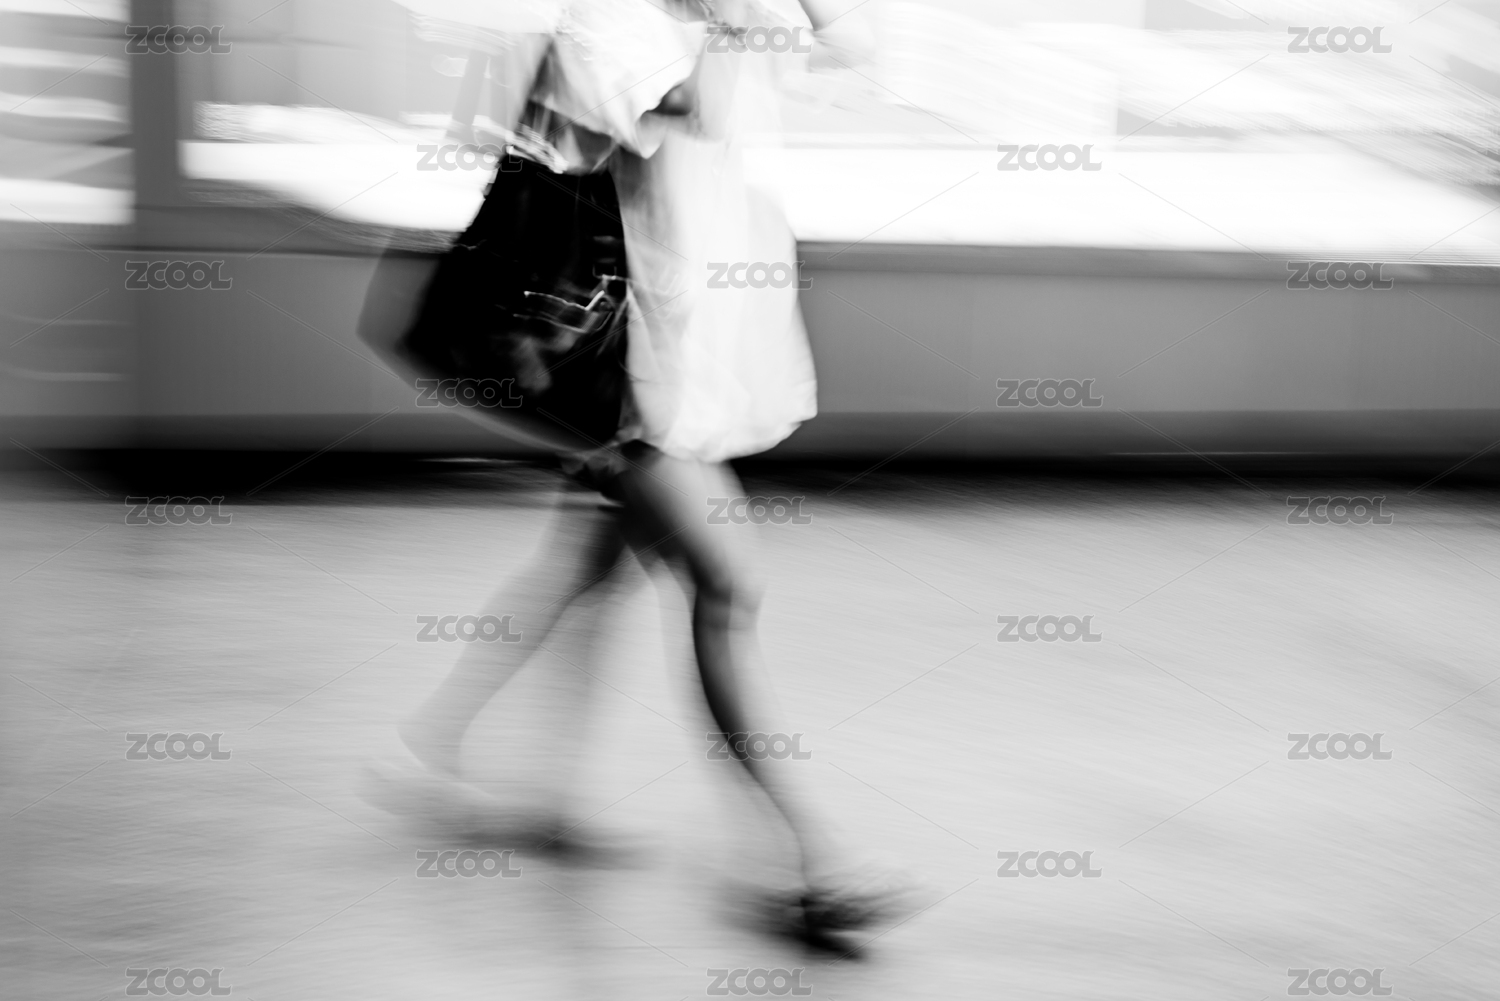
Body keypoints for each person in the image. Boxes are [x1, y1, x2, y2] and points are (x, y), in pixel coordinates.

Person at [371, 0, 904, 937]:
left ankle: (462, 757)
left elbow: (854, 53)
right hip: (630, 377)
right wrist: (731, 26)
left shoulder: (717, 23)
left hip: (695, 363)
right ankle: (802, 861)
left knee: (587, 570)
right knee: (725, 584)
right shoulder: (616, 24)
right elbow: (677, 108)